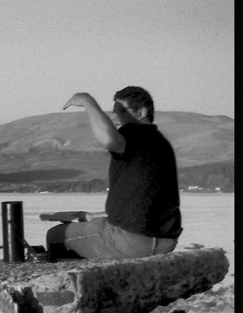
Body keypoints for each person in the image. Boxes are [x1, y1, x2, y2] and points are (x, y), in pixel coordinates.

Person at [42, 86, 182, 260]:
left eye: (120, 111)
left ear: (141, 112)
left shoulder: (134, 134)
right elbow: (146, 204)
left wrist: (88, 101)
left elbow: (110, 140)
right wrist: (90, 217)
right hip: (166, 240)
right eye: (113, 112)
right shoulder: (160, 143)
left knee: (56, 236)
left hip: (131, 241)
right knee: (93, 228)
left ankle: (80, 283)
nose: (114, 117)